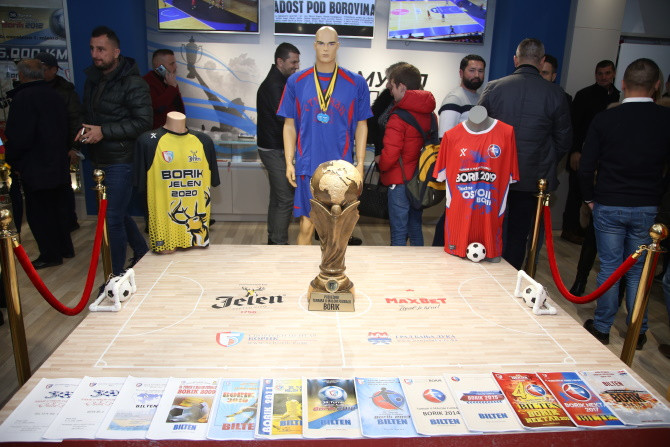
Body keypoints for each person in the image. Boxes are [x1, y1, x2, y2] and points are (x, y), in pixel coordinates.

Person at [579, 58, 670, 350]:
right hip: (647, 206)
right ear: (656, 86)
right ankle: (637, 330)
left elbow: (586, 166)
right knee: (637, 270)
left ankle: (602, 327)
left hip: (608, 203)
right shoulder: (665, 119)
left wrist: (589, 198)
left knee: (610, 266)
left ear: (623, 84)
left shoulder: (605, 119)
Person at [478, 38, 572, 270]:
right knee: (519, 235)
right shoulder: (556, 94)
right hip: (533, 179)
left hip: (495, 176)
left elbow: (476, 132)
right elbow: (563, 141)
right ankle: (511, 281)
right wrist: (545, 161)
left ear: (515, 60)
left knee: (490, 229)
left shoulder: (494, 87)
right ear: (541, 61)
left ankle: (485, 279)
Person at [278, 26, 372, 245]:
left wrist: (359, 163)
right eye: (321, 43)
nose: (326, 48)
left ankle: (332, 267)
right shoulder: (296, 82)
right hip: (307, 165)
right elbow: (289, 125)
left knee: (336, 229)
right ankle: (302, 266)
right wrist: (289, 162)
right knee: (306, 225)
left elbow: (362, 124)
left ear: (338, 46)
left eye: (331, 43)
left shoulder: (356, 83)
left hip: (340, 170)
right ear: (314, 45)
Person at [76, 26, 152, 275]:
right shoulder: (93, 79)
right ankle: (141, 252)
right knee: (116, 213)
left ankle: (115, 276)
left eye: (101, 49)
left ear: (116, 52)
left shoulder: (134, 83)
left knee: (112, 218)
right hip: (99, 158)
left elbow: (143, 123)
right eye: (92, 49)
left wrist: (104, 131)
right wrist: (84, 129)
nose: (95, 54)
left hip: (122, 159)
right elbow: (91, 115)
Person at [5, 59, 73, 269]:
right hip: (57, 162)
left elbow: (19, 136)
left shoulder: (23, 98)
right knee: (57, 209)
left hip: (35, 165)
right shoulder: (54, 95)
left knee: (39, 214)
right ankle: (65, 248)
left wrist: (12, 160)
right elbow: (66, 127)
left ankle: (50, 254)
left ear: (22, 75)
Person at [567, 60, 621, 295]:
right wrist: (575, 151)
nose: (603, 77)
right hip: (591, 165)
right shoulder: (584, 95)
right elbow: (575, 126)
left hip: (610, 176)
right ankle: (580, 279)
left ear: (614, 74)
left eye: (607, 73)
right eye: (600, 73)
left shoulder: (619, 98)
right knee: (577, 199)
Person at [135, 112, 220, 253]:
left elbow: (213, 179)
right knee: (165, 257)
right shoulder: (148, 141)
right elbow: (140, 183)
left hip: (197, 229)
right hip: (163, 226)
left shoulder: (204, 141)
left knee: (197, 257)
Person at [378, 64, 436, 246]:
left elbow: (390, 154)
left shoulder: (398, 117)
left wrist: (381, 163)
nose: (390, 90)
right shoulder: (430, 114)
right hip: (420, 181)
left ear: (402, 87)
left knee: (399, 231)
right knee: (415, 227)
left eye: (392, 86)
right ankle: (417, 263)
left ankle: (398, 265)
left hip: (399, 181)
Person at [433, 54, 486, 247]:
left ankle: (457, 245)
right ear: (461, 73)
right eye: (472, 70)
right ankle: (440, 247)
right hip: (460, 168)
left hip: (475, 168)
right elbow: (445, 137)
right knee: (452, 210)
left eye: (480, 71)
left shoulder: (479, 98)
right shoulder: (455, 98)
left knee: (463, 212)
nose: (476, 75)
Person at [256, 42, 300, 245]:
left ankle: (273, 239)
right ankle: (279, 243)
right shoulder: (275, 85)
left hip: (273, 148)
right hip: (273, 149)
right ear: (280, 61)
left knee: (277, 198)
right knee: (285, 199)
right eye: (293, 62)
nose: (296, 66)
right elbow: (285, 119)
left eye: (297, 62)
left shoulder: (279, 82)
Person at [35, 51, 82, 233]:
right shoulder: (33, 90)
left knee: (62, 188)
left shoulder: (65, 91)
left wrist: (74, 147)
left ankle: (68, 222)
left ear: (54, 69)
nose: (40, 72)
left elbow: (75, 120)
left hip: (60, 148)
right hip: (40, 150)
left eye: (44, 69)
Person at [143, 49, 185, 129]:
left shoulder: (170, 81)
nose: (175, 67)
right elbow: (158, 108)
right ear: (159, 66)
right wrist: (172, 88)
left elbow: (179, 108)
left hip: (176, 129)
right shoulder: (146, 83)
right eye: (171, 64)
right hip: (158, 132)